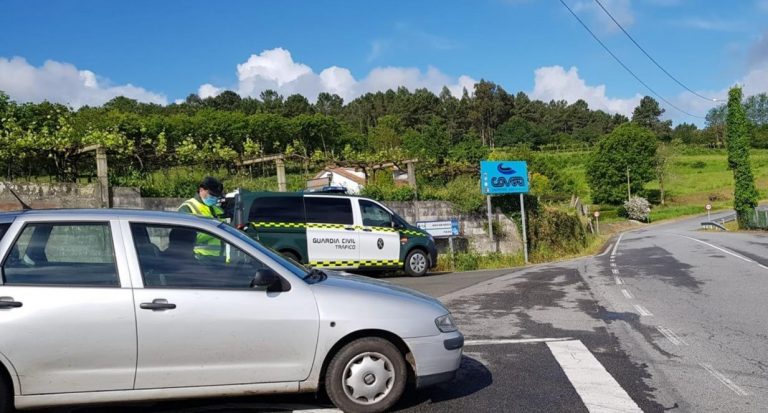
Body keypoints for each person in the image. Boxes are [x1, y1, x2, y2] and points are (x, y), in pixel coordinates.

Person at [178, 177, 226, 260]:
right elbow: (184, 238)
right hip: (199, 259)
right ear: (201, 190)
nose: (214, 198)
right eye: (211, 195)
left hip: (220, 259)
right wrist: (217, 230)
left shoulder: (217, 209)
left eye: (216, 196)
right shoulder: (188, 207)